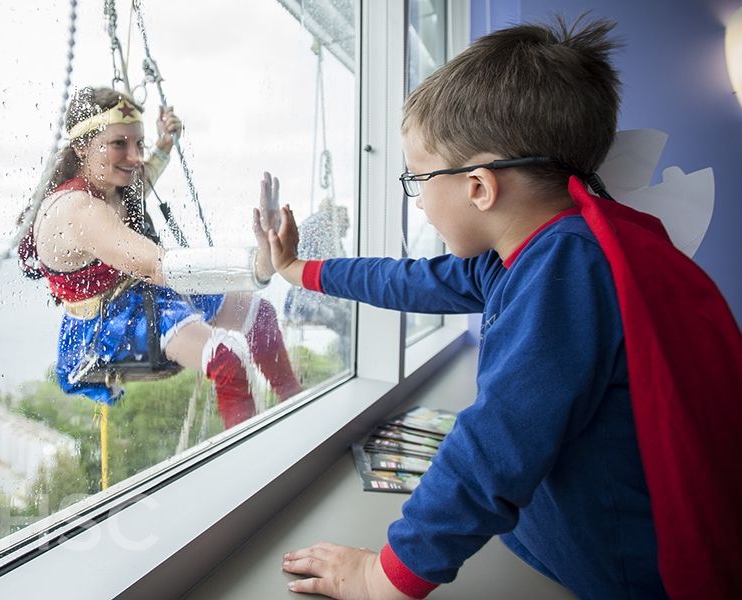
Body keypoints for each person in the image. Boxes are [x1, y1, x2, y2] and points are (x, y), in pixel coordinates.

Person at [270, 16, 742, 600]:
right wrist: (300, 270)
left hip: (619, 575)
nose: (417, 203)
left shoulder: (565, 271)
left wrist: (381, 576)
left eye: (416, 179)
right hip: (566, 548)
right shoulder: (539, 252)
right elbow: (411, 281)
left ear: (478, 187)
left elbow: (494, 446)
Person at [19, 86, 301, 428]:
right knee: (227, 358)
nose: (135, 157)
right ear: (81, 147)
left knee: (261, 317)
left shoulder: (107, 185)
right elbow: (157, 265)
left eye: (139, 144)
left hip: (141, 293)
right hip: (106, 324)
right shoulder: (79, 211)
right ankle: (252, 457)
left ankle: (296, 406)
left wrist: (164, 143)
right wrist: (257, 265)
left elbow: (142, 177)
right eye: (119, 144)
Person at [283, 198, 352, 363]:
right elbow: (337, 272)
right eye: (347, 223)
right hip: (306, 305)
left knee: (349, 312)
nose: (348, 229)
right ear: (337, 218)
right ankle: (348, 361)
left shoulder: (316, 227)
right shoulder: (323, 230)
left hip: (297, 302)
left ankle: (347, 360)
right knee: (348, 320)